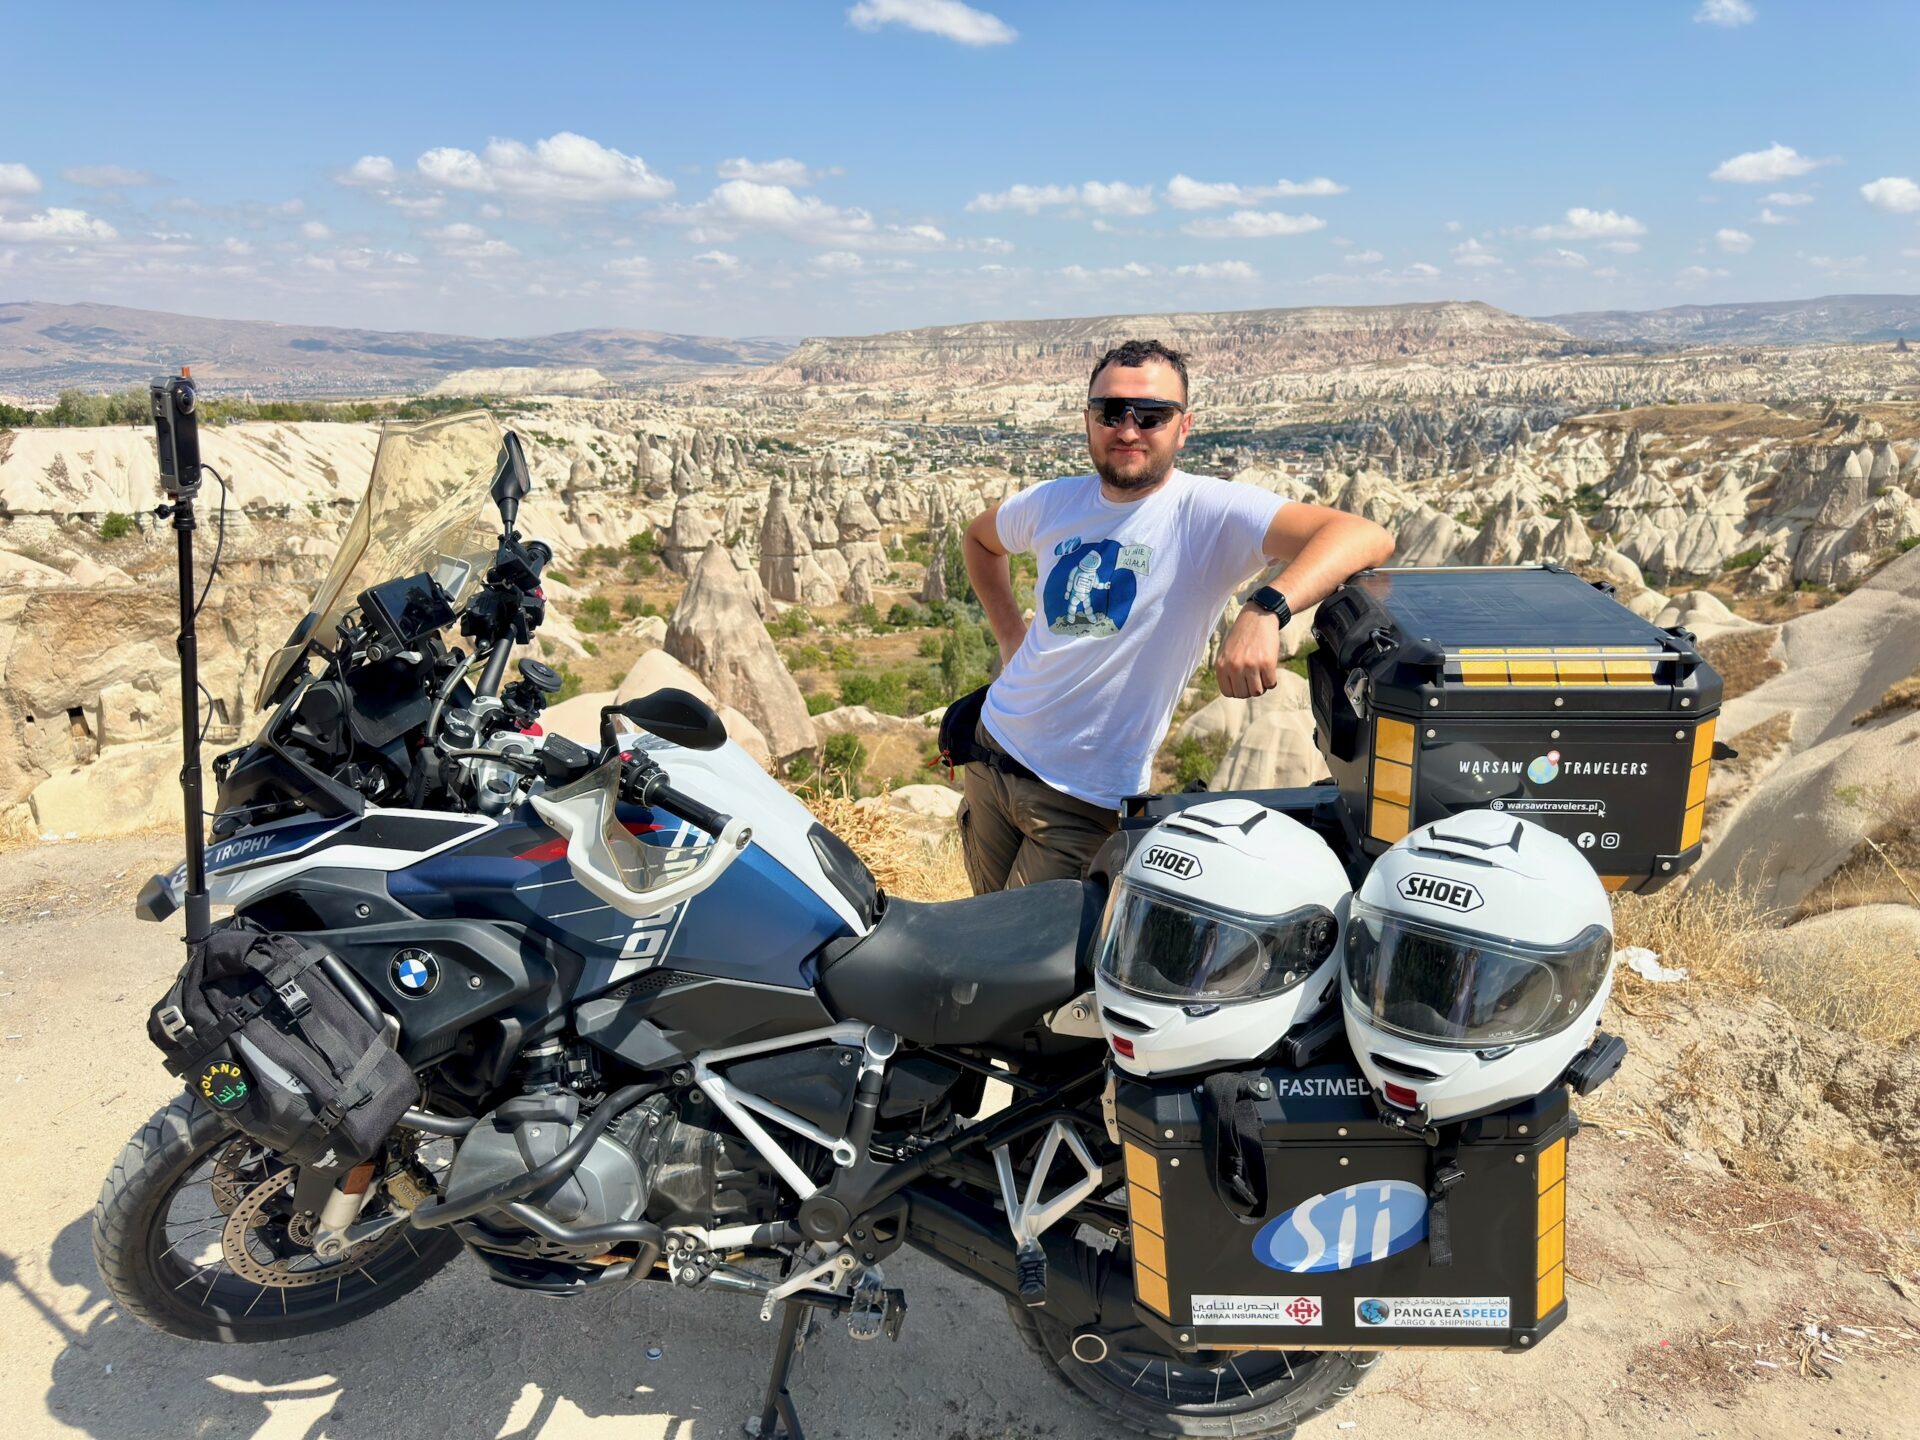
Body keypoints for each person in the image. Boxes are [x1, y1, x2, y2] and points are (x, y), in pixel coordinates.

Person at [955, 338, 1394, 894]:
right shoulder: (1051, 502)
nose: (1129, 428)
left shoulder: (1207, 513)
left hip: (1081, 797)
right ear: (1088, 420)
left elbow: (1365, 536)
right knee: (980, 932)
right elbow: (979, 539)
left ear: (1184, 427)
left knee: (1027, 969)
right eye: (1111, 411)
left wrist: (1266, 608)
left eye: (1153, 415)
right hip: (992, 752)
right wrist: (1010, 637)